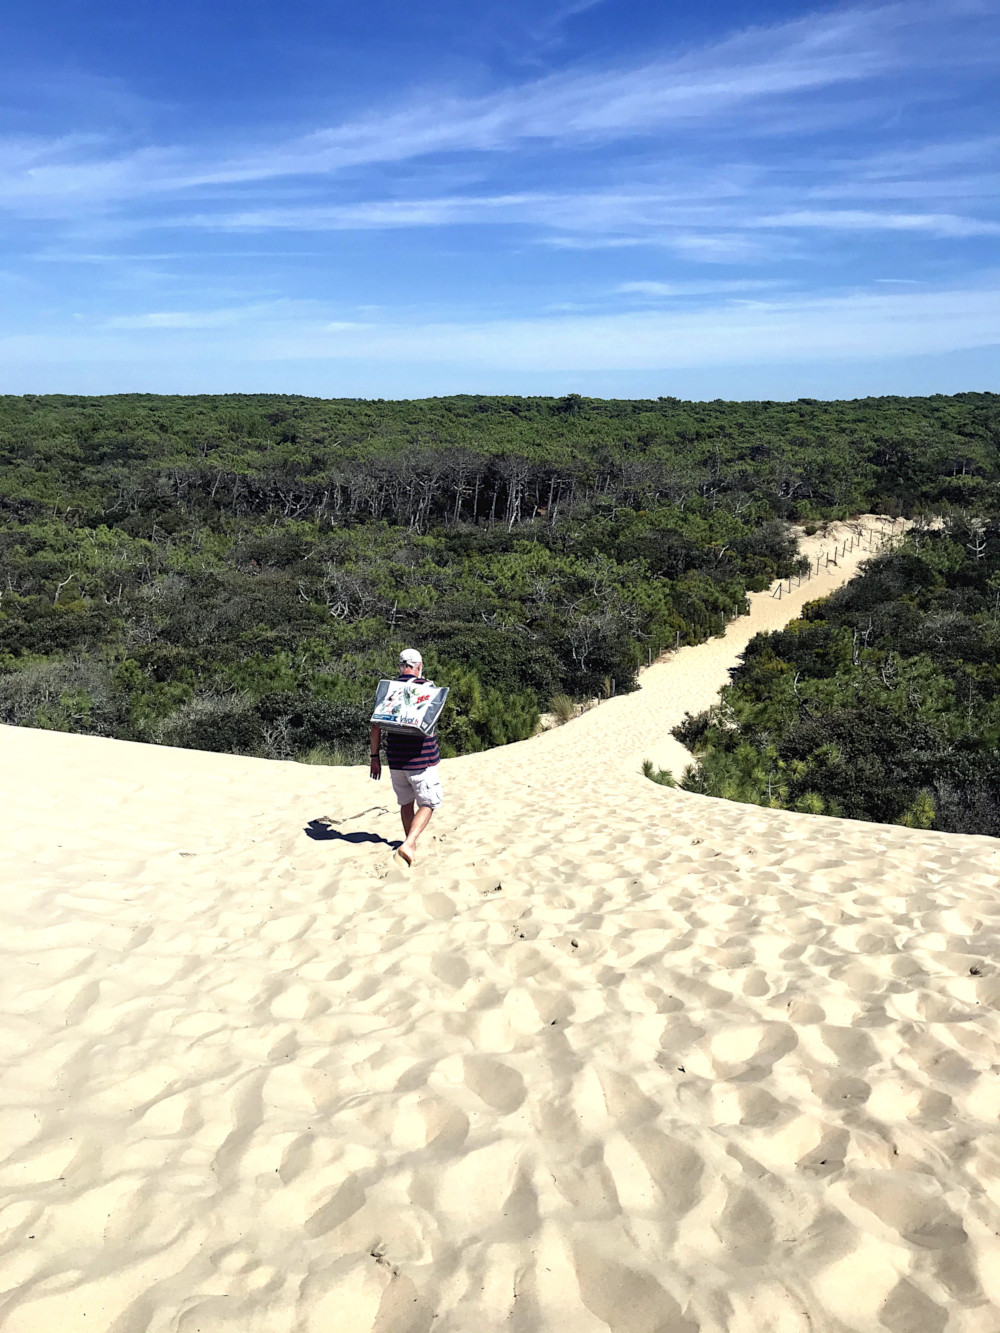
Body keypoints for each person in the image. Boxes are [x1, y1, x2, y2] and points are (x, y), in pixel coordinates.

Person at [370, 648, 443, 868]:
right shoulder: (427, 688)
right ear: (419, 666)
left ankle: (408, 846)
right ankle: (409, 843)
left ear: (401, 666)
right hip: (421, 759)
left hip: (395, 758)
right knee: (429, 802)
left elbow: (375, 726)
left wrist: (374, 756)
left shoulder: (389, 690)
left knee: (406, 802)